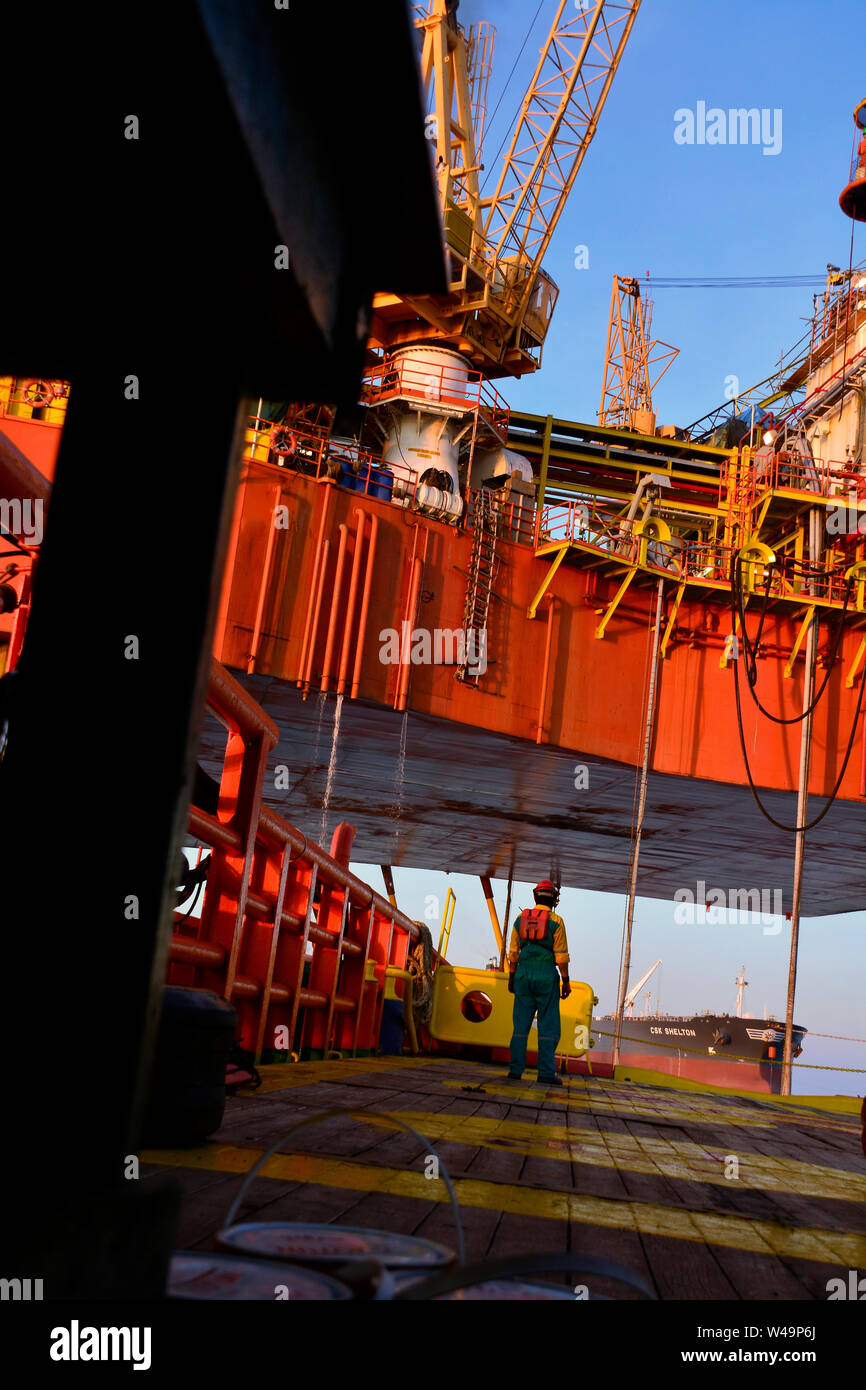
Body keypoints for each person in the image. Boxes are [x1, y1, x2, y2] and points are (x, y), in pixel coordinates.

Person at [505, 880, 570, 1086]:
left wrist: (512, 977)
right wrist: (566, 982)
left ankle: (515, 1071)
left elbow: (513, 953)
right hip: (546, 977)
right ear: (554, 901)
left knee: (520, 1025)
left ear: (535, 897)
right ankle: (546, 1073)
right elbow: (561, 957)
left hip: (522, 975)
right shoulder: (557, 922)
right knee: (548, 1025)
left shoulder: (519, 919)